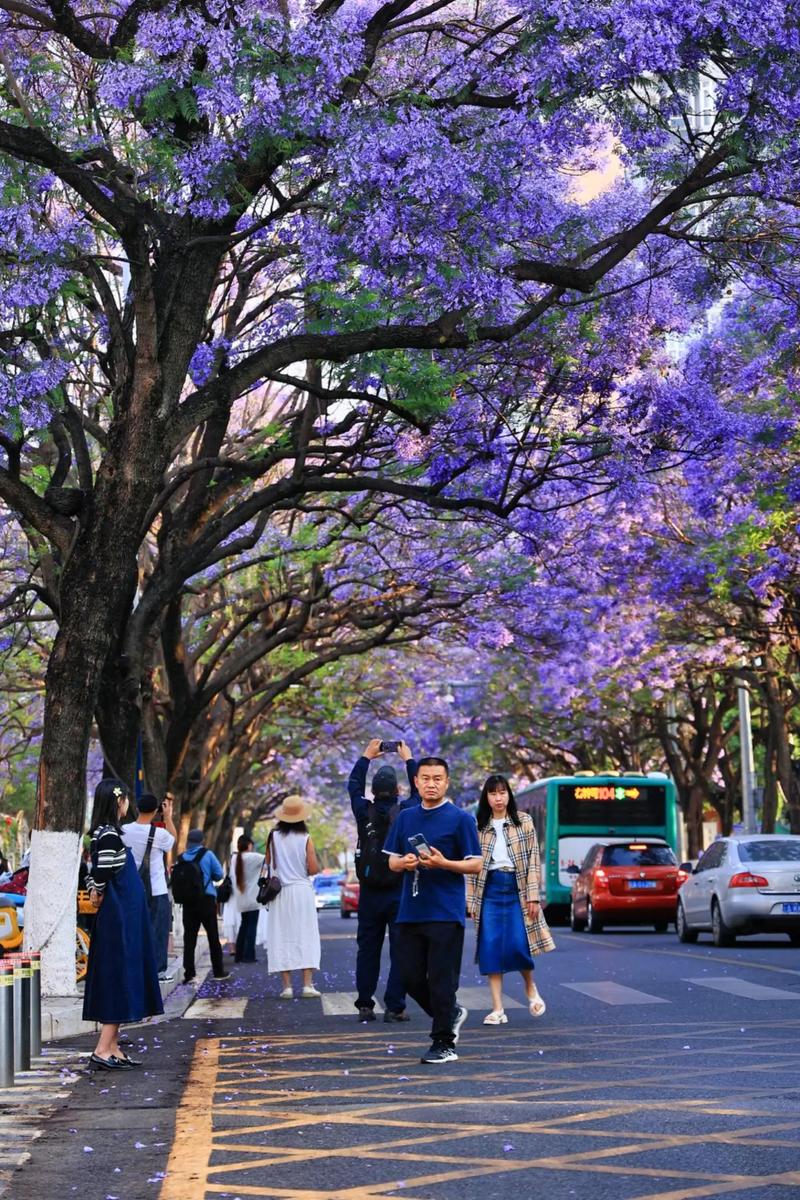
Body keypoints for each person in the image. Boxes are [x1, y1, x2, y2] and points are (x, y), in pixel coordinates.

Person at [384, 757, 482, 1065]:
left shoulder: (461, 819)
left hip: (445, 912)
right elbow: (391, 860)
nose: (431, 783)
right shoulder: (405, 817)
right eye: (425, 778)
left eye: (437, 778)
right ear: (416, 782)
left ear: (447, 781)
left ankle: (444, 1043)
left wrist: (444, 864)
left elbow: (476, 864)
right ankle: (448, 1013)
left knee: (442, 980)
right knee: (410, 978)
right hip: (410, 910)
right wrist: (405, 863)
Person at [83, 778, 163, 1070]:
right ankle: (103, 1049)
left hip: (125, 916)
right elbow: (101, 872)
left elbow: (96, 872)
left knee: (125, 973)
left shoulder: (106, 834)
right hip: (120, 919)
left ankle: (113, 1046)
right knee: (120, 976)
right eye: (125, 798)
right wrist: (97, 891)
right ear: (119, 802)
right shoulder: (108, 836)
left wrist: (95, 888)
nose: (127, 803)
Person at [468, 774, 555, 1025]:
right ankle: (497, 1009)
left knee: (519, 944)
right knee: (491, 947)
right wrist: (472, 902)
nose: (498, 798)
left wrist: (533, 897)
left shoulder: (523, 821)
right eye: (493, 793)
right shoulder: (479, 827)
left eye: (503, 792)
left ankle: (530, 987)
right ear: (486, 797)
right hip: (490, 890)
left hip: (516, 888)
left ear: (509, 795)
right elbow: (472, 867)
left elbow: (532, 862)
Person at [348, 738, 419, 1024]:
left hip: (369, 892)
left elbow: (353, 785)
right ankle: (395, 1006)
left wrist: (366, 756)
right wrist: (409, 759)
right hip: (397, 889)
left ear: (373, 792)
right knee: (400, 949)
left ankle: (365, 1004)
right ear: (398, 790)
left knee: (368, 949)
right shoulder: (406, 812)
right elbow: (418, 791)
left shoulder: (362, 809)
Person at [265, 795, 321, 998]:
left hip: (280, 893)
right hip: (302, 892)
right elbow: (313, 869)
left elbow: (269, 864)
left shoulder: (273, 837)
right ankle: (307, 985)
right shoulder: (306, 838)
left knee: (282, 935)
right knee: (306, 935)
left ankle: (286, 987)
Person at [121, 792, 177, 980]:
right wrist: (168, 817)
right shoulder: (159, 834)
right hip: (157, 888)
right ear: (155, 811)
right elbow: (173, 840)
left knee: (134, 929)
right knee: (158, 930)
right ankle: (157, 971)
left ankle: (133, 968)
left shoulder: (124, 830)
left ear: (137, 808)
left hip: (132, 888)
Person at [179, 828, 232, 984]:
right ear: (202, 841)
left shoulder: (182, 857)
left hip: (188, 903)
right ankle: (218, 971)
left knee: (189, 938)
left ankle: (189, 973)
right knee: (213, 937)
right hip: (206, 901)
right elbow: (219, 875)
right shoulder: (207, 855)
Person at [232, 833, 263, 963]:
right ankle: (249, 955)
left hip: (241, 898)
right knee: (251, 927)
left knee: (243, 926)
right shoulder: (254, 857)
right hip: (253, 898)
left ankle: (239, 955)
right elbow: (270, 859)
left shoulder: (235, 858)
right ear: (249, 845)